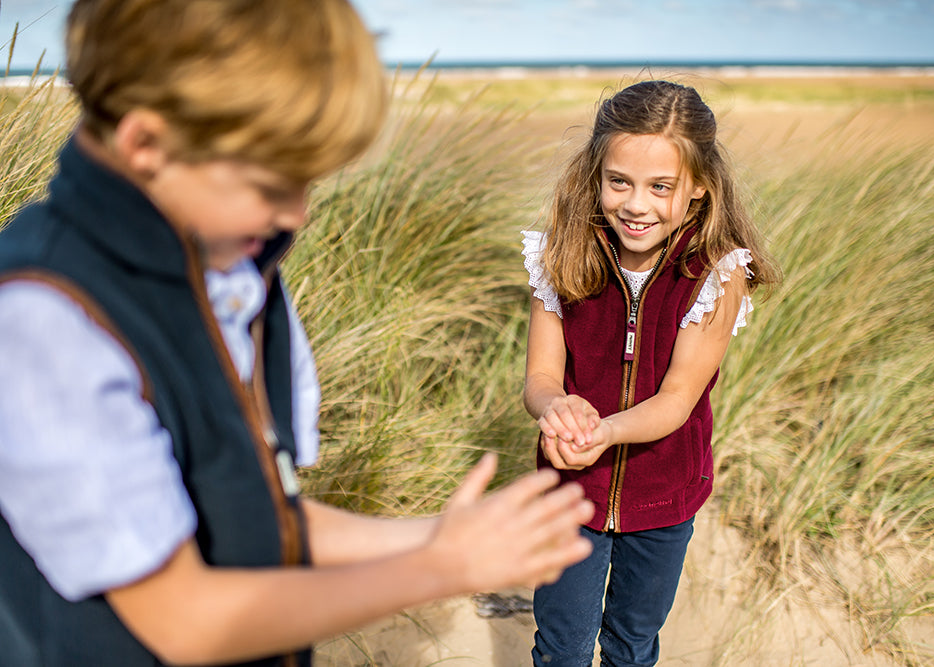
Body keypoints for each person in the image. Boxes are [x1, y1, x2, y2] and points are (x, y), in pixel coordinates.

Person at [0, 1, 595, 665]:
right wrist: (440, 570)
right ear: (146, 144)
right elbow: (181, 619)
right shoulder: (46, 319)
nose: (299, 213)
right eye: (272, 182)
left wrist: (437, 536)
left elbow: (269, 518)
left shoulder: (234, 265)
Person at [521, 79, 781, 666]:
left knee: (632, 646)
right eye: (620, 182)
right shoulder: (560, 252)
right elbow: (540, 377)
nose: (636, 205)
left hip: (663, 497)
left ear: (698, 190)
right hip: (569, 494)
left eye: (660, 187)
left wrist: (604, 433)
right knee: (560, 647)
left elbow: (677, 399)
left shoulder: (716, 272)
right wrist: (556, 409)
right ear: (597, 176)